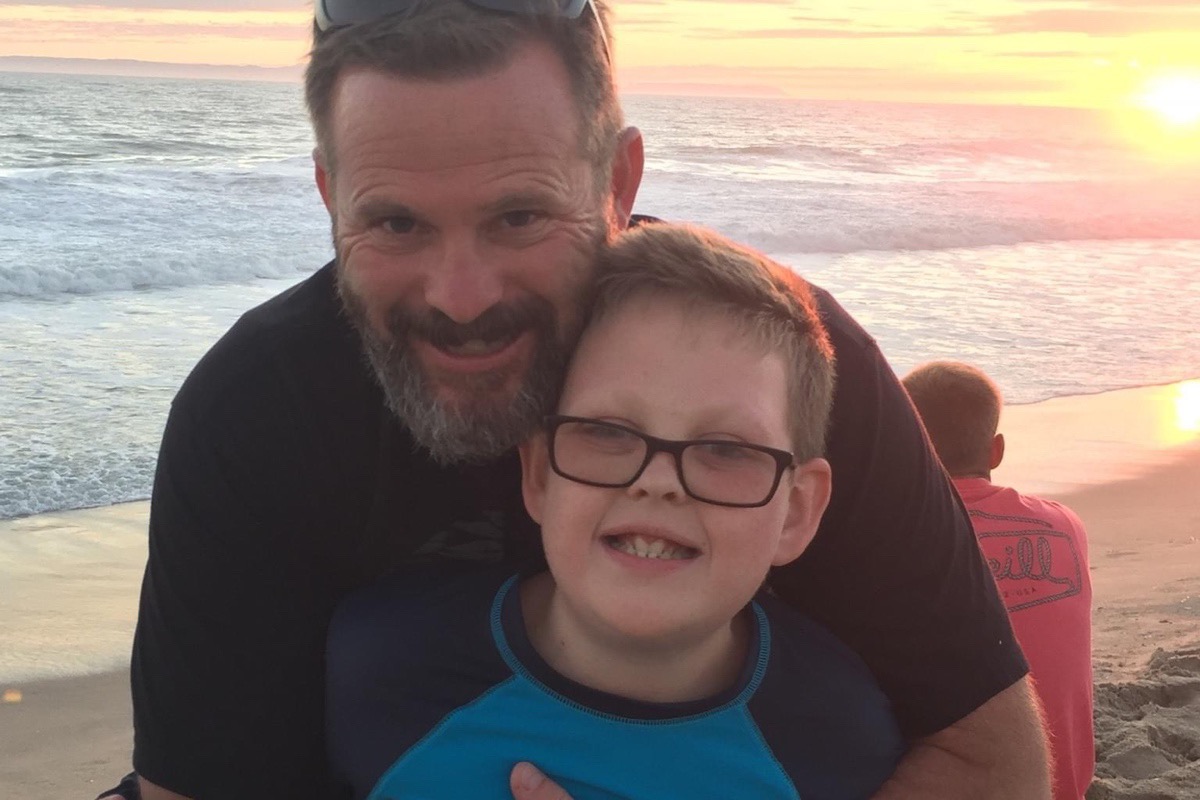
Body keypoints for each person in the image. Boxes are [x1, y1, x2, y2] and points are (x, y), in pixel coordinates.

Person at [102, 2, 1050, 799]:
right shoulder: (257, 416)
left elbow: (991, 758)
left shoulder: (780, 363)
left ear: (618, 182)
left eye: (519, 215)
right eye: (395, 222)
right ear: (328, 195)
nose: (460, 297)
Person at [326, 224, 906, 800]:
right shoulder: (379, 667)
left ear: (796, 511)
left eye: (725, 449)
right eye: (608, 432)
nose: (658, 482)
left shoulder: (842, 740)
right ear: (540, 474)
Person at [903, 361, 1094, 800]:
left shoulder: (889, 539)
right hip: (1063, 787)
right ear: (996, 451)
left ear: (905, 444)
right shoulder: (1065, 525)